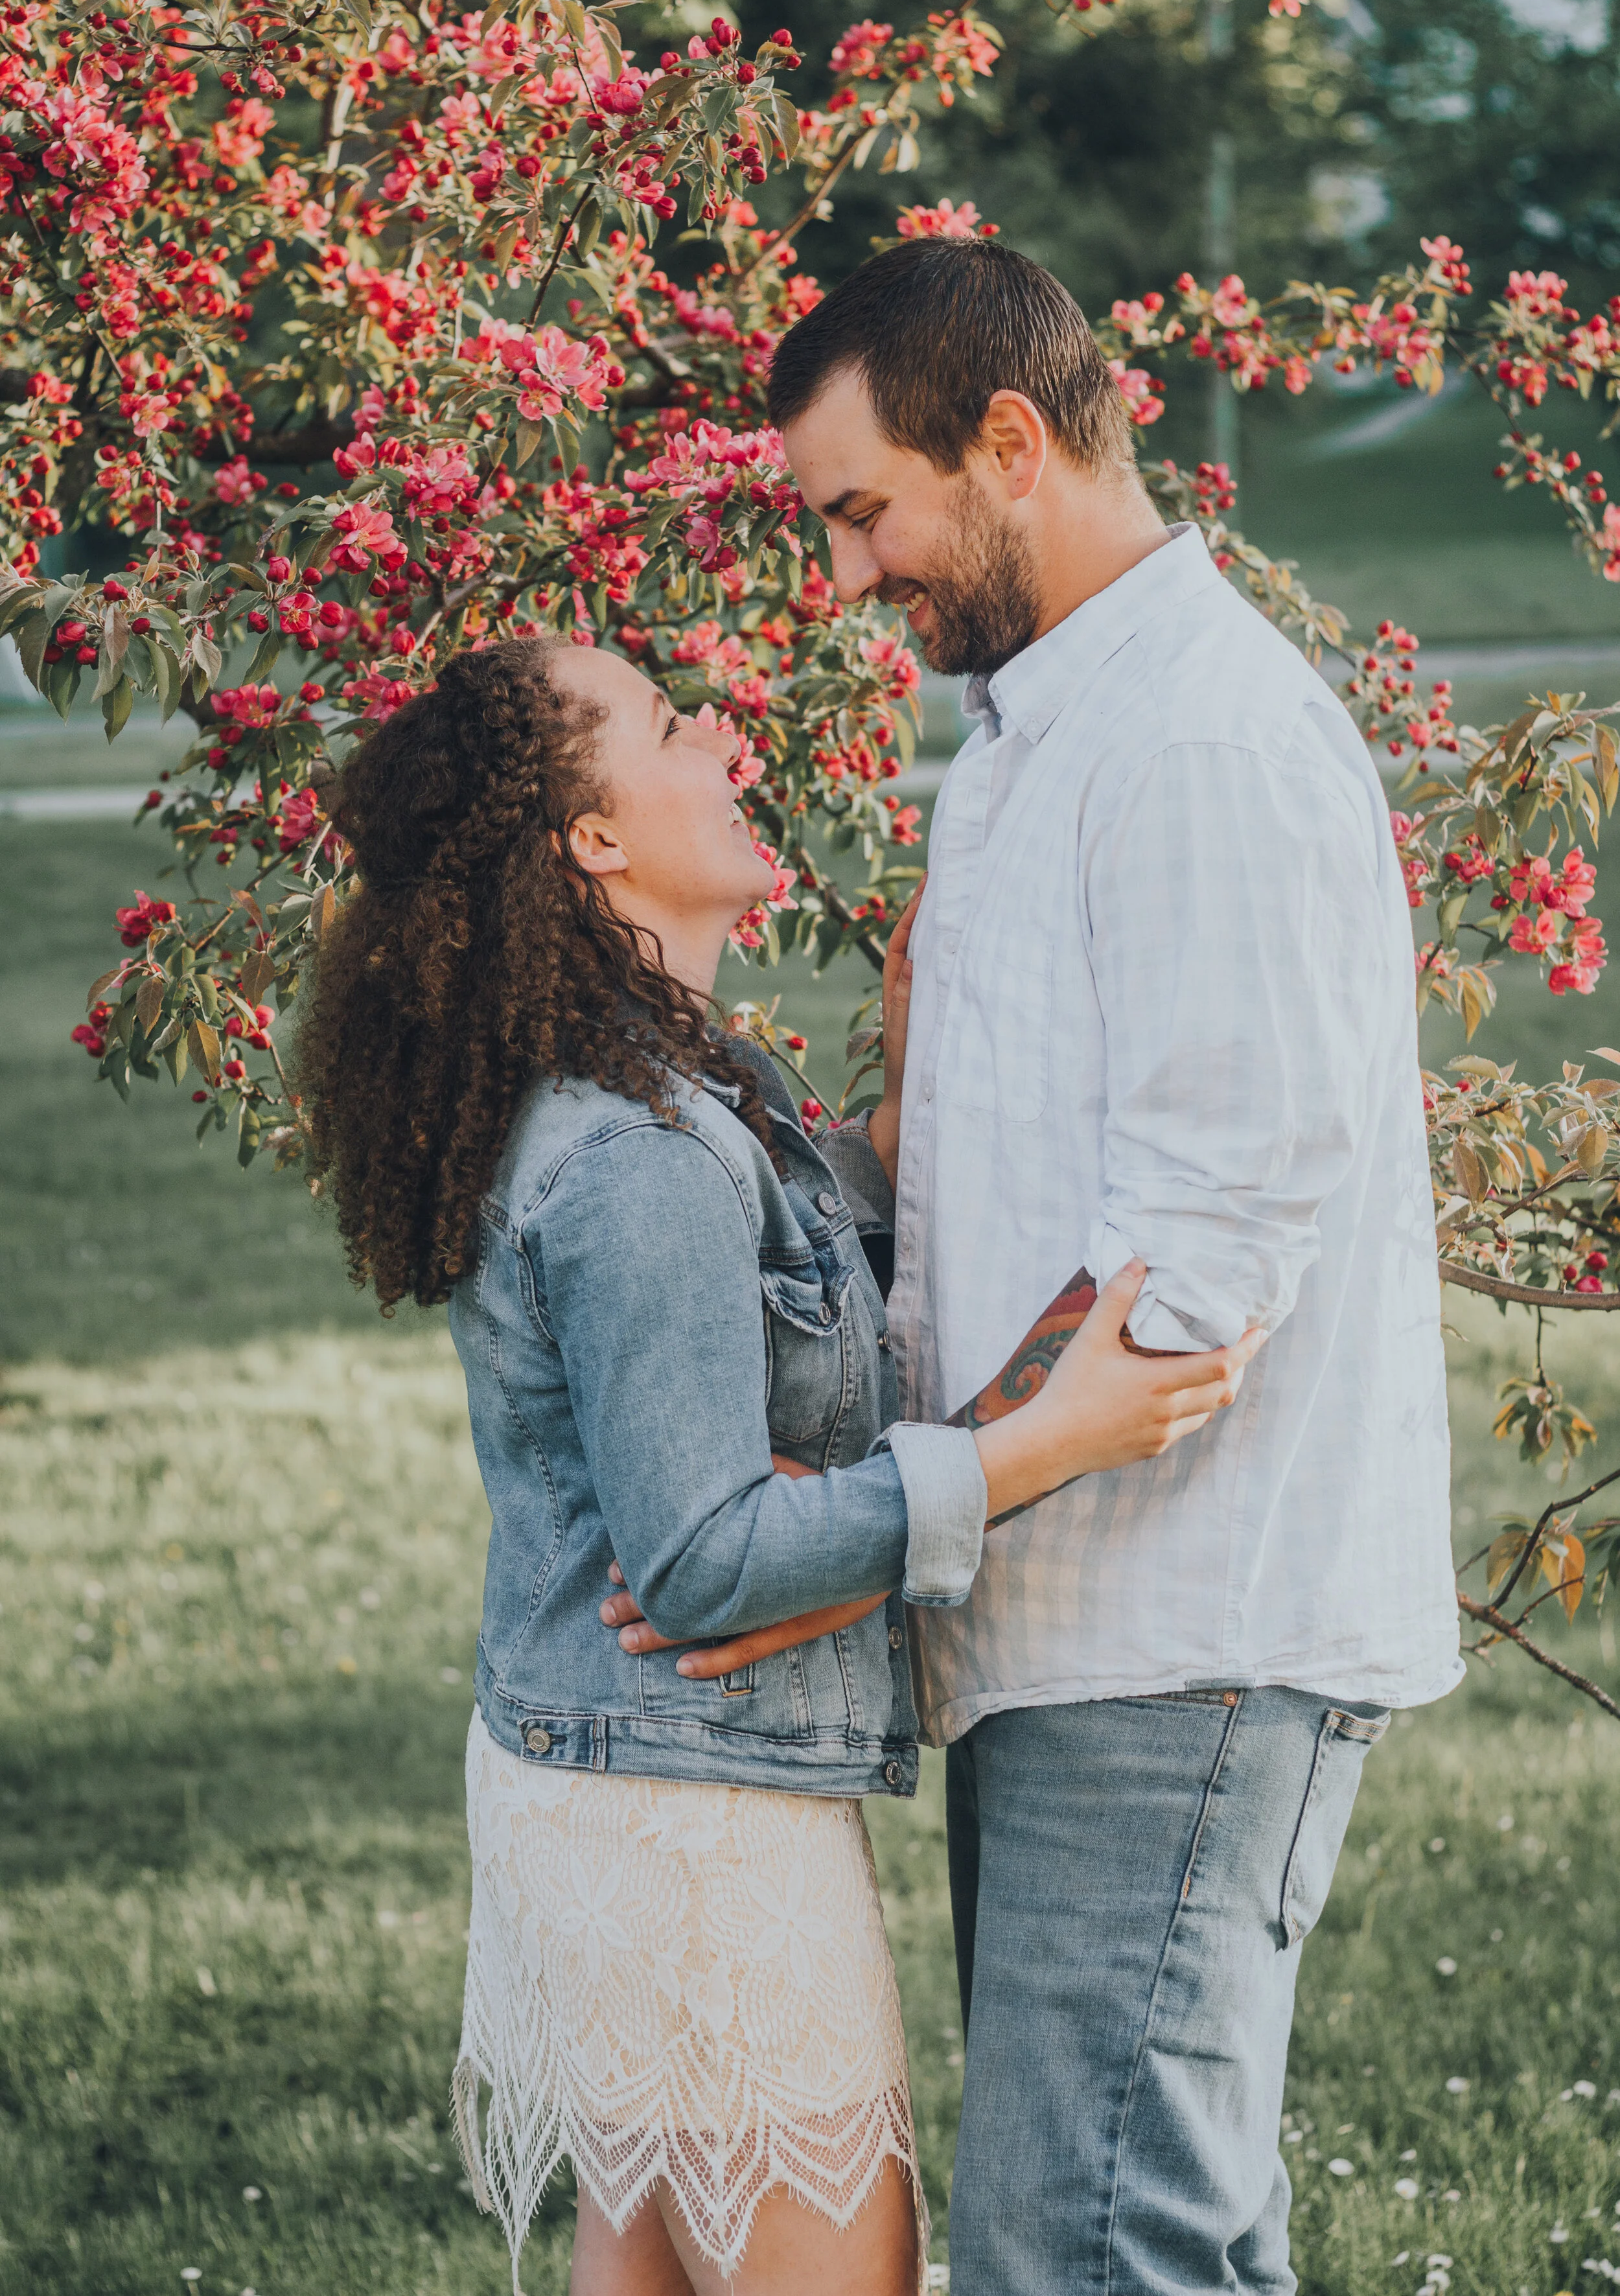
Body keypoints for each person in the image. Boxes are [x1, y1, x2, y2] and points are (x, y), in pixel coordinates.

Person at [634, 235, 1461, 2294]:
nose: (840, 575)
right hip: (1068, 1622)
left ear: (1009, 442)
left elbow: (1189, 1276)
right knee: (1139, 2231)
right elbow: (985, 1188)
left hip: (1183, 1624)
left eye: (860, 512)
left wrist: (852, 1528)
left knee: (1089, 2248)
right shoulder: (1032, 739)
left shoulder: (1192, 742)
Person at [292, 632, 1259, 2296]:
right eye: (670, 725)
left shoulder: (678, 1086)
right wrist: (1043, 1447)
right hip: (684, 1826)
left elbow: (797, 1300)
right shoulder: (636, 1155)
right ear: (590, 838)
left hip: (631, 1783)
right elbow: (703, 1563)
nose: (724, 730)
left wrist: (910, 1070)